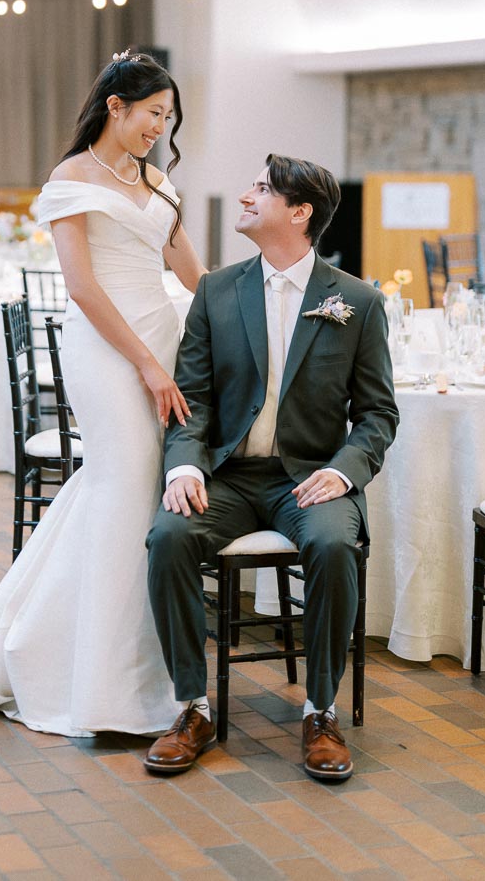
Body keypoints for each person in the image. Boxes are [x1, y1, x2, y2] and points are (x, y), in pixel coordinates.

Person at [0, 51, 207, 735]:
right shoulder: (72, 177)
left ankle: (127, 657)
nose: (159, 129)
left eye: (168, 119)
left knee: (140, 494)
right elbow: (81, 287)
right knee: (123, 482)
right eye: (152, 115)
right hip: (109, 351)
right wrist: (144, 363)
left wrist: (246, 322)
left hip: (161, 339)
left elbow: (192, 271)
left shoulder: (158, 180)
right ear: (116, 106)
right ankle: (101, 682)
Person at [144, 154, 398, 781]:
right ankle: (193, 706)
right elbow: (193, 398)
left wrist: (344, 471)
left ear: (300, 211)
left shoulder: (357, 302)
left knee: (336, 547)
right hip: (228, 477)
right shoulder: (216, 290)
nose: (246, 195)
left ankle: (320, 711)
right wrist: (184, 468)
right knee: (169, 537)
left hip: (309, 478)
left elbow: (377, 414)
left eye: (262, 188)